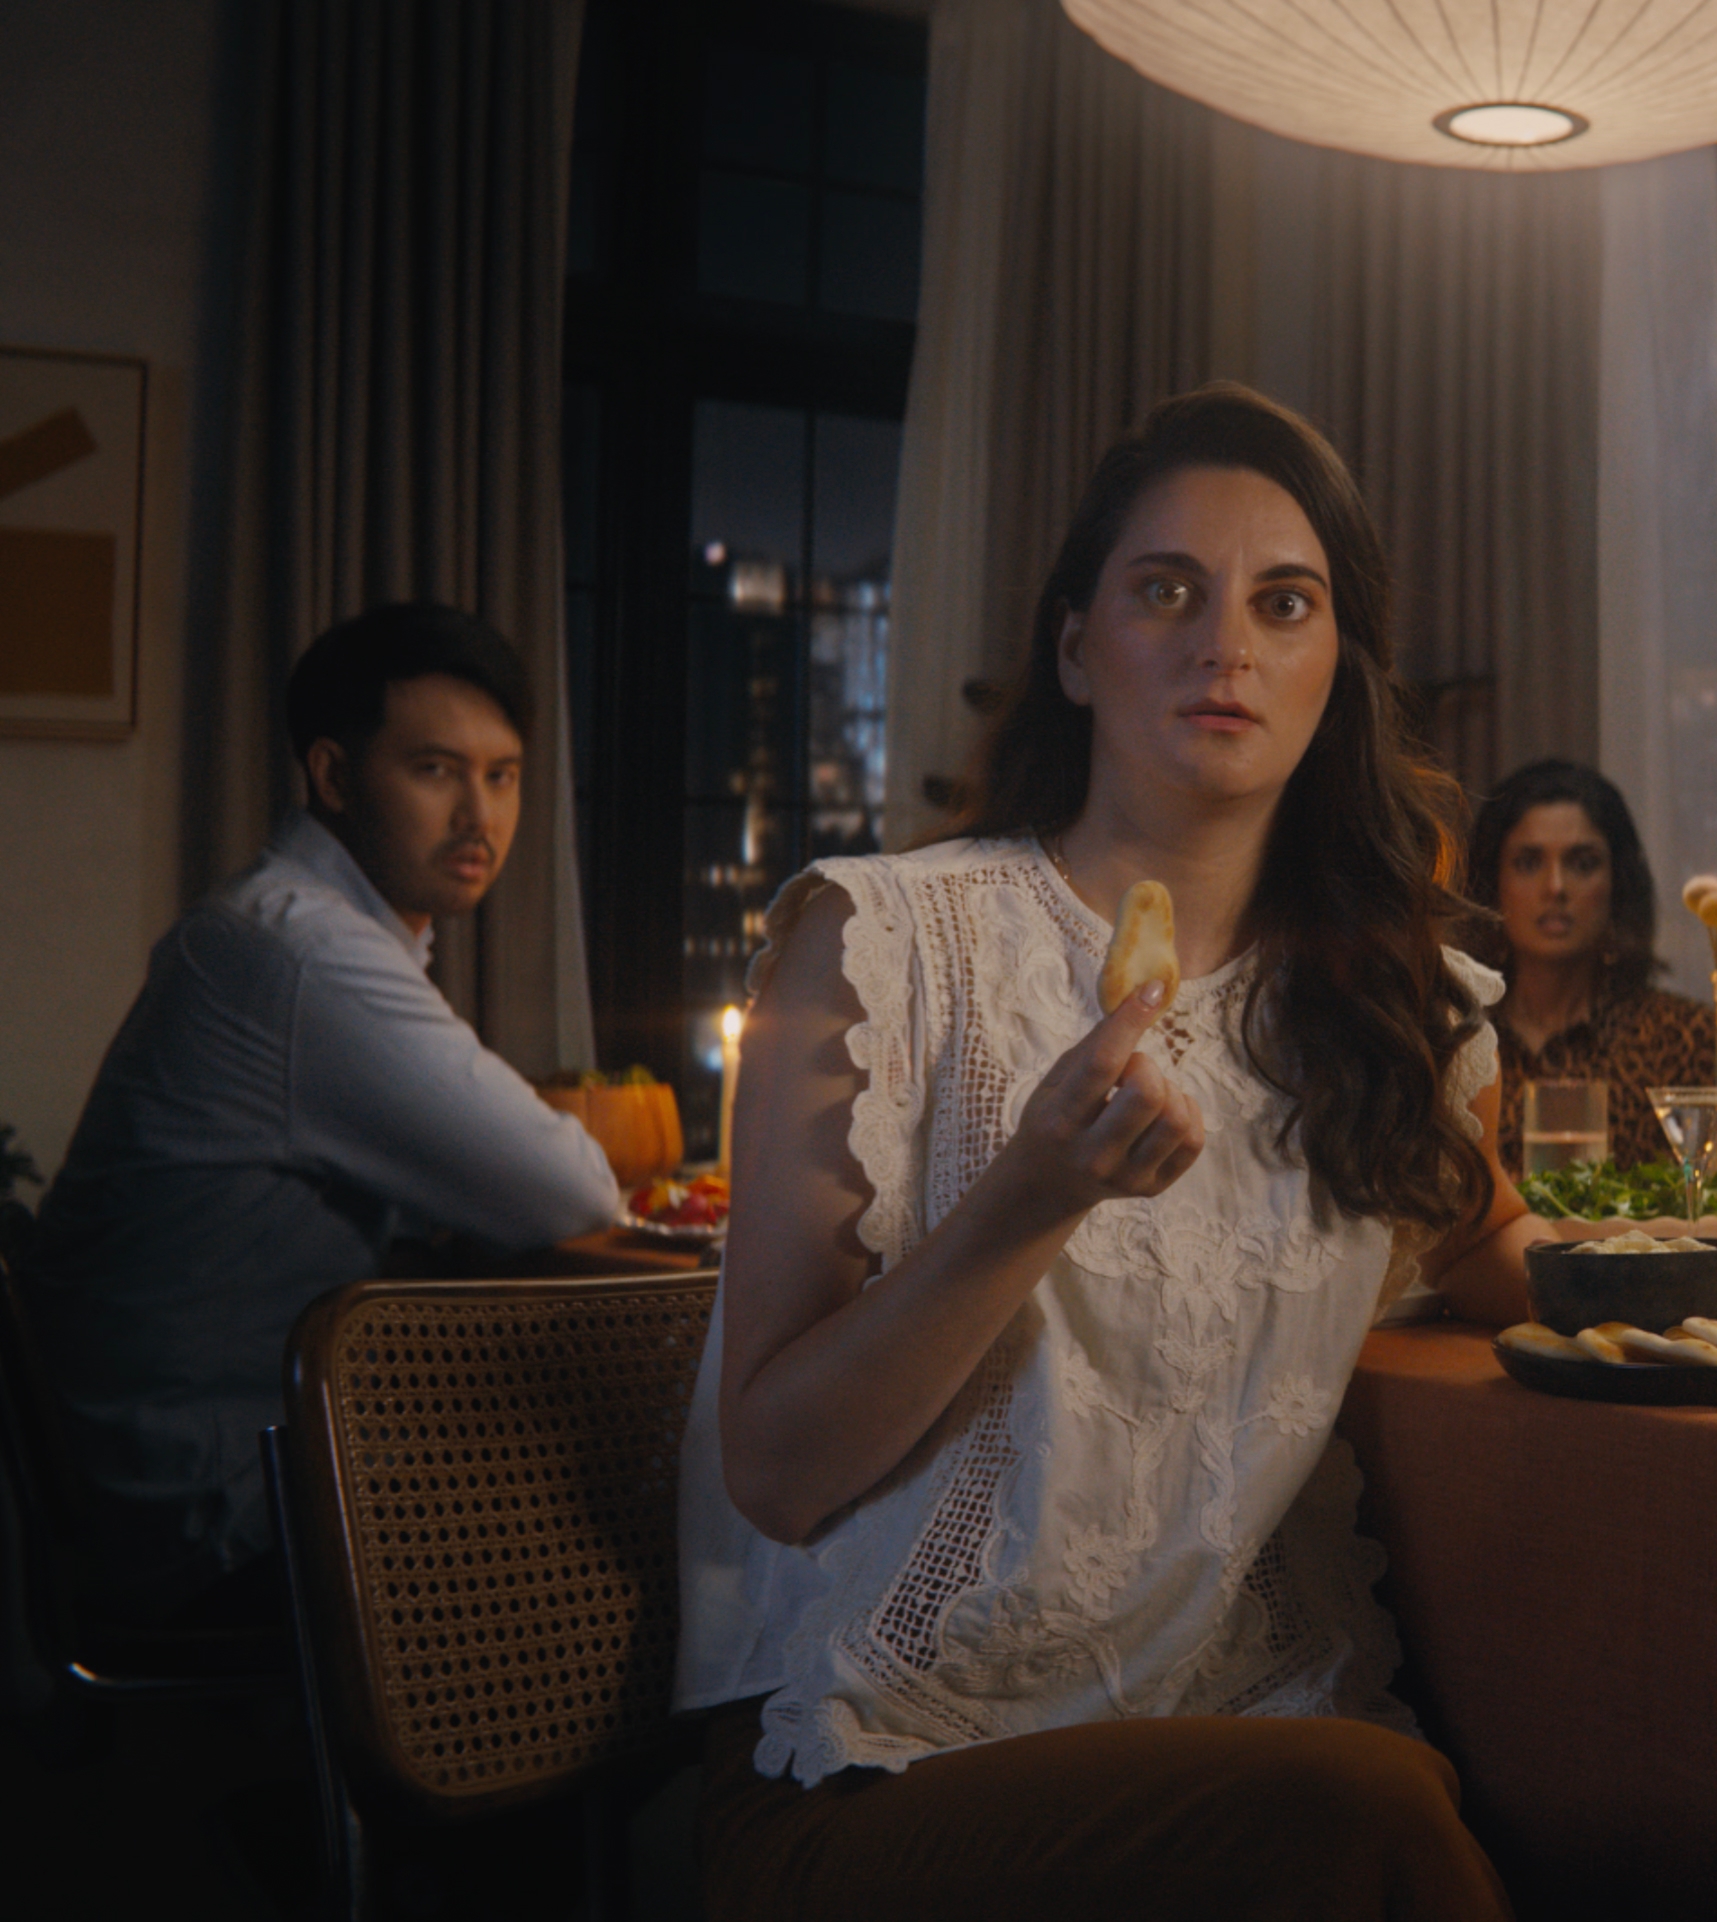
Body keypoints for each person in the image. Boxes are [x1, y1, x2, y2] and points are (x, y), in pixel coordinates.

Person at [673, 385, 1524, 1919]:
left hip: (1232, 1720)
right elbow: (776, 1472)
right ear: (1077, 648)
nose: (1229, 645)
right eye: (1166, 592)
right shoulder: (882, 943)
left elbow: (1499, 1253)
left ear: (1341, 667)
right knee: (1370, 1820)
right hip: (880, 1756)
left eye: (1285, 602)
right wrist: (1032, 1192)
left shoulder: (1401, 1013)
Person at [18, 606, 619, 1626]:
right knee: (622, 1529)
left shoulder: (278, 928)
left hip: (162, 1466)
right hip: (209, 1506)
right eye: (435, 769)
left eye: (503, 773)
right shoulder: (300, 951)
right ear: (334, 776)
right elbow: (575, 1190)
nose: (480, 814)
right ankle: (463, 1786)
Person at [1459, 759, 1715, 1171]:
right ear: (1493, 883)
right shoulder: (1457, 1040)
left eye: (1582, 863)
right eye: (1528, 862)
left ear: (1617, 882)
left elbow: (1707, 1215)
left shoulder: (1683, 1039)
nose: (1555, 887)